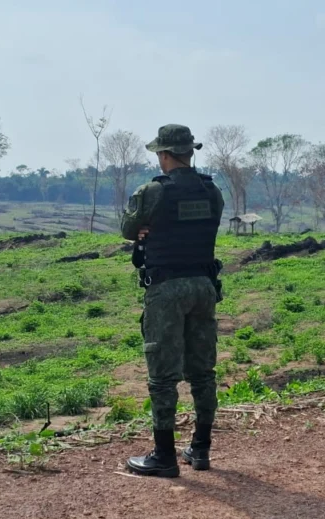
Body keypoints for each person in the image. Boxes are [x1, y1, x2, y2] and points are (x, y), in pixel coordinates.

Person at [119, 124, 224, 477]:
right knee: (203, 373)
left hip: (167, 289)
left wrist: (146, 230)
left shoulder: (152, 192)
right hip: (204, 286)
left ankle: (163, 455)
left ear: (164, 155)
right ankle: (201, 449)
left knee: (162, 376)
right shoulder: (212, 191)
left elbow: (128, 228)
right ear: (190, 152)